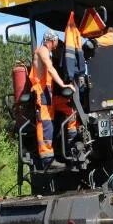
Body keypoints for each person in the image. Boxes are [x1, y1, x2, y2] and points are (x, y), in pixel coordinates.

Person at [30, 31, 71, 172]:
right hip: (42, 93)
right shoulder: (42, 51)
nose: (57, 45)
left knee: (69, 108)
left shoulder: (47, 52)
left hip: (49, 93)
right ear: (52, 41)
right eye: (56, 42)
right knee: (46, 124)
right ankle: (47, 159)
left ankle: (72, 140)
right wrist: (63, 85)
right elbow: (51, 70)